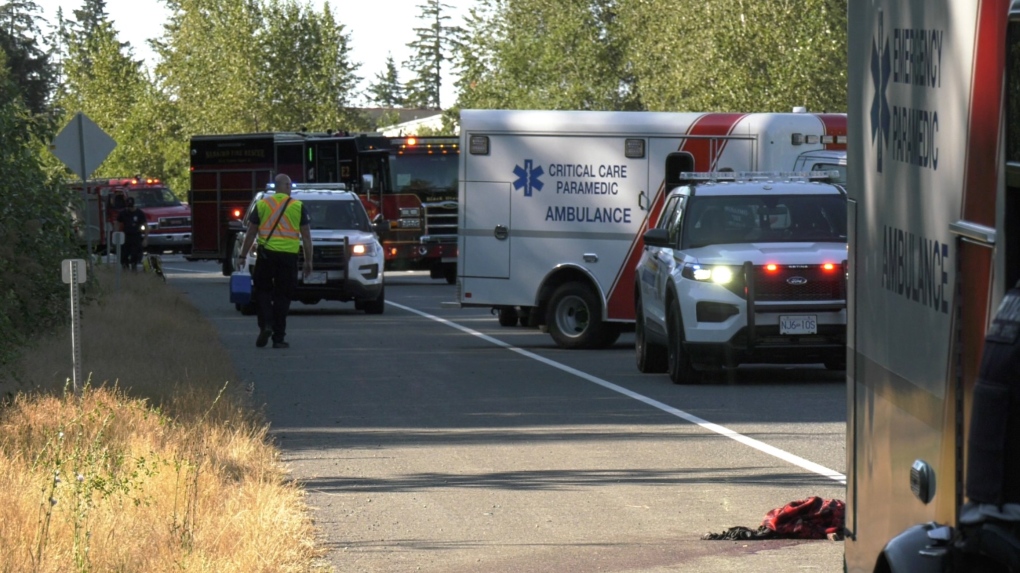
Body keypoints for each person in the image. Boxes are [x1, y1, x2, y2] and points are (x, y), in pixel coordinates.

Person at [236, 174, 313, 349]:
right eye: (289, 185)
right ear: (284, 186)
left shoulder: (262, 204)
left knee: (262, 291)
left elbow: (251, 232)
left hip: (266, 255)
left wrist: (242, 255)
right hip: (288, 257)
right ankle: (278, 338)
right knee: (283, 296)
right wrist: (308, 260)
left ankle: (266, 325)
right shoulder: (298, 206)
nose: (290, 188)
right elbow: (307, 237)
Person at [116, 196, 149, 271]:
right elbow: (117, 223)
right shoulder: (123, 213)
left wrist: (145, 238)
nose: (129, 208)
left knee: (135, 253)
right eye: (128, 206)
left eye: (131, 206)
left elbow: (146, 226)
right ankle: (125, 268)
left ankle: (134, 267)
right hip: (126, 236)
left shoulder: (139, 213)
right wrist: (116, 234)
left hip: (136, 236)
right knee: (123, 254)